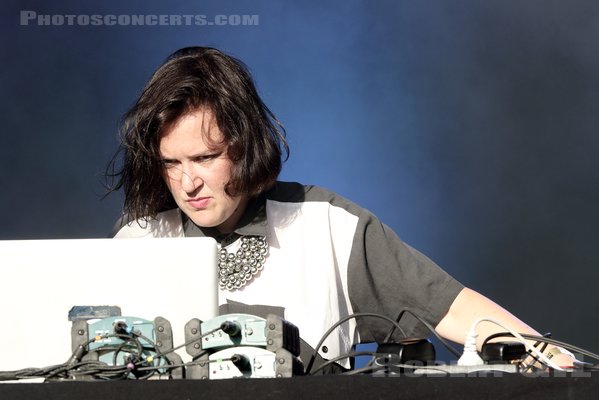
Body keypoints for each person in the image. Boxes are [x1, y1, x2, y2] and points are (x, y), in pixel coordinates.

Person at [108, 46, 574, 372]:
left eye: (205, 158)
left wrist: (547, 357)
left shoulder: (326, 224)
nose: (188, 183)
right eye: (171, 163)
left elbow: (446, 305)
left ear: (245, 145)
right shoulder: (139, 241)